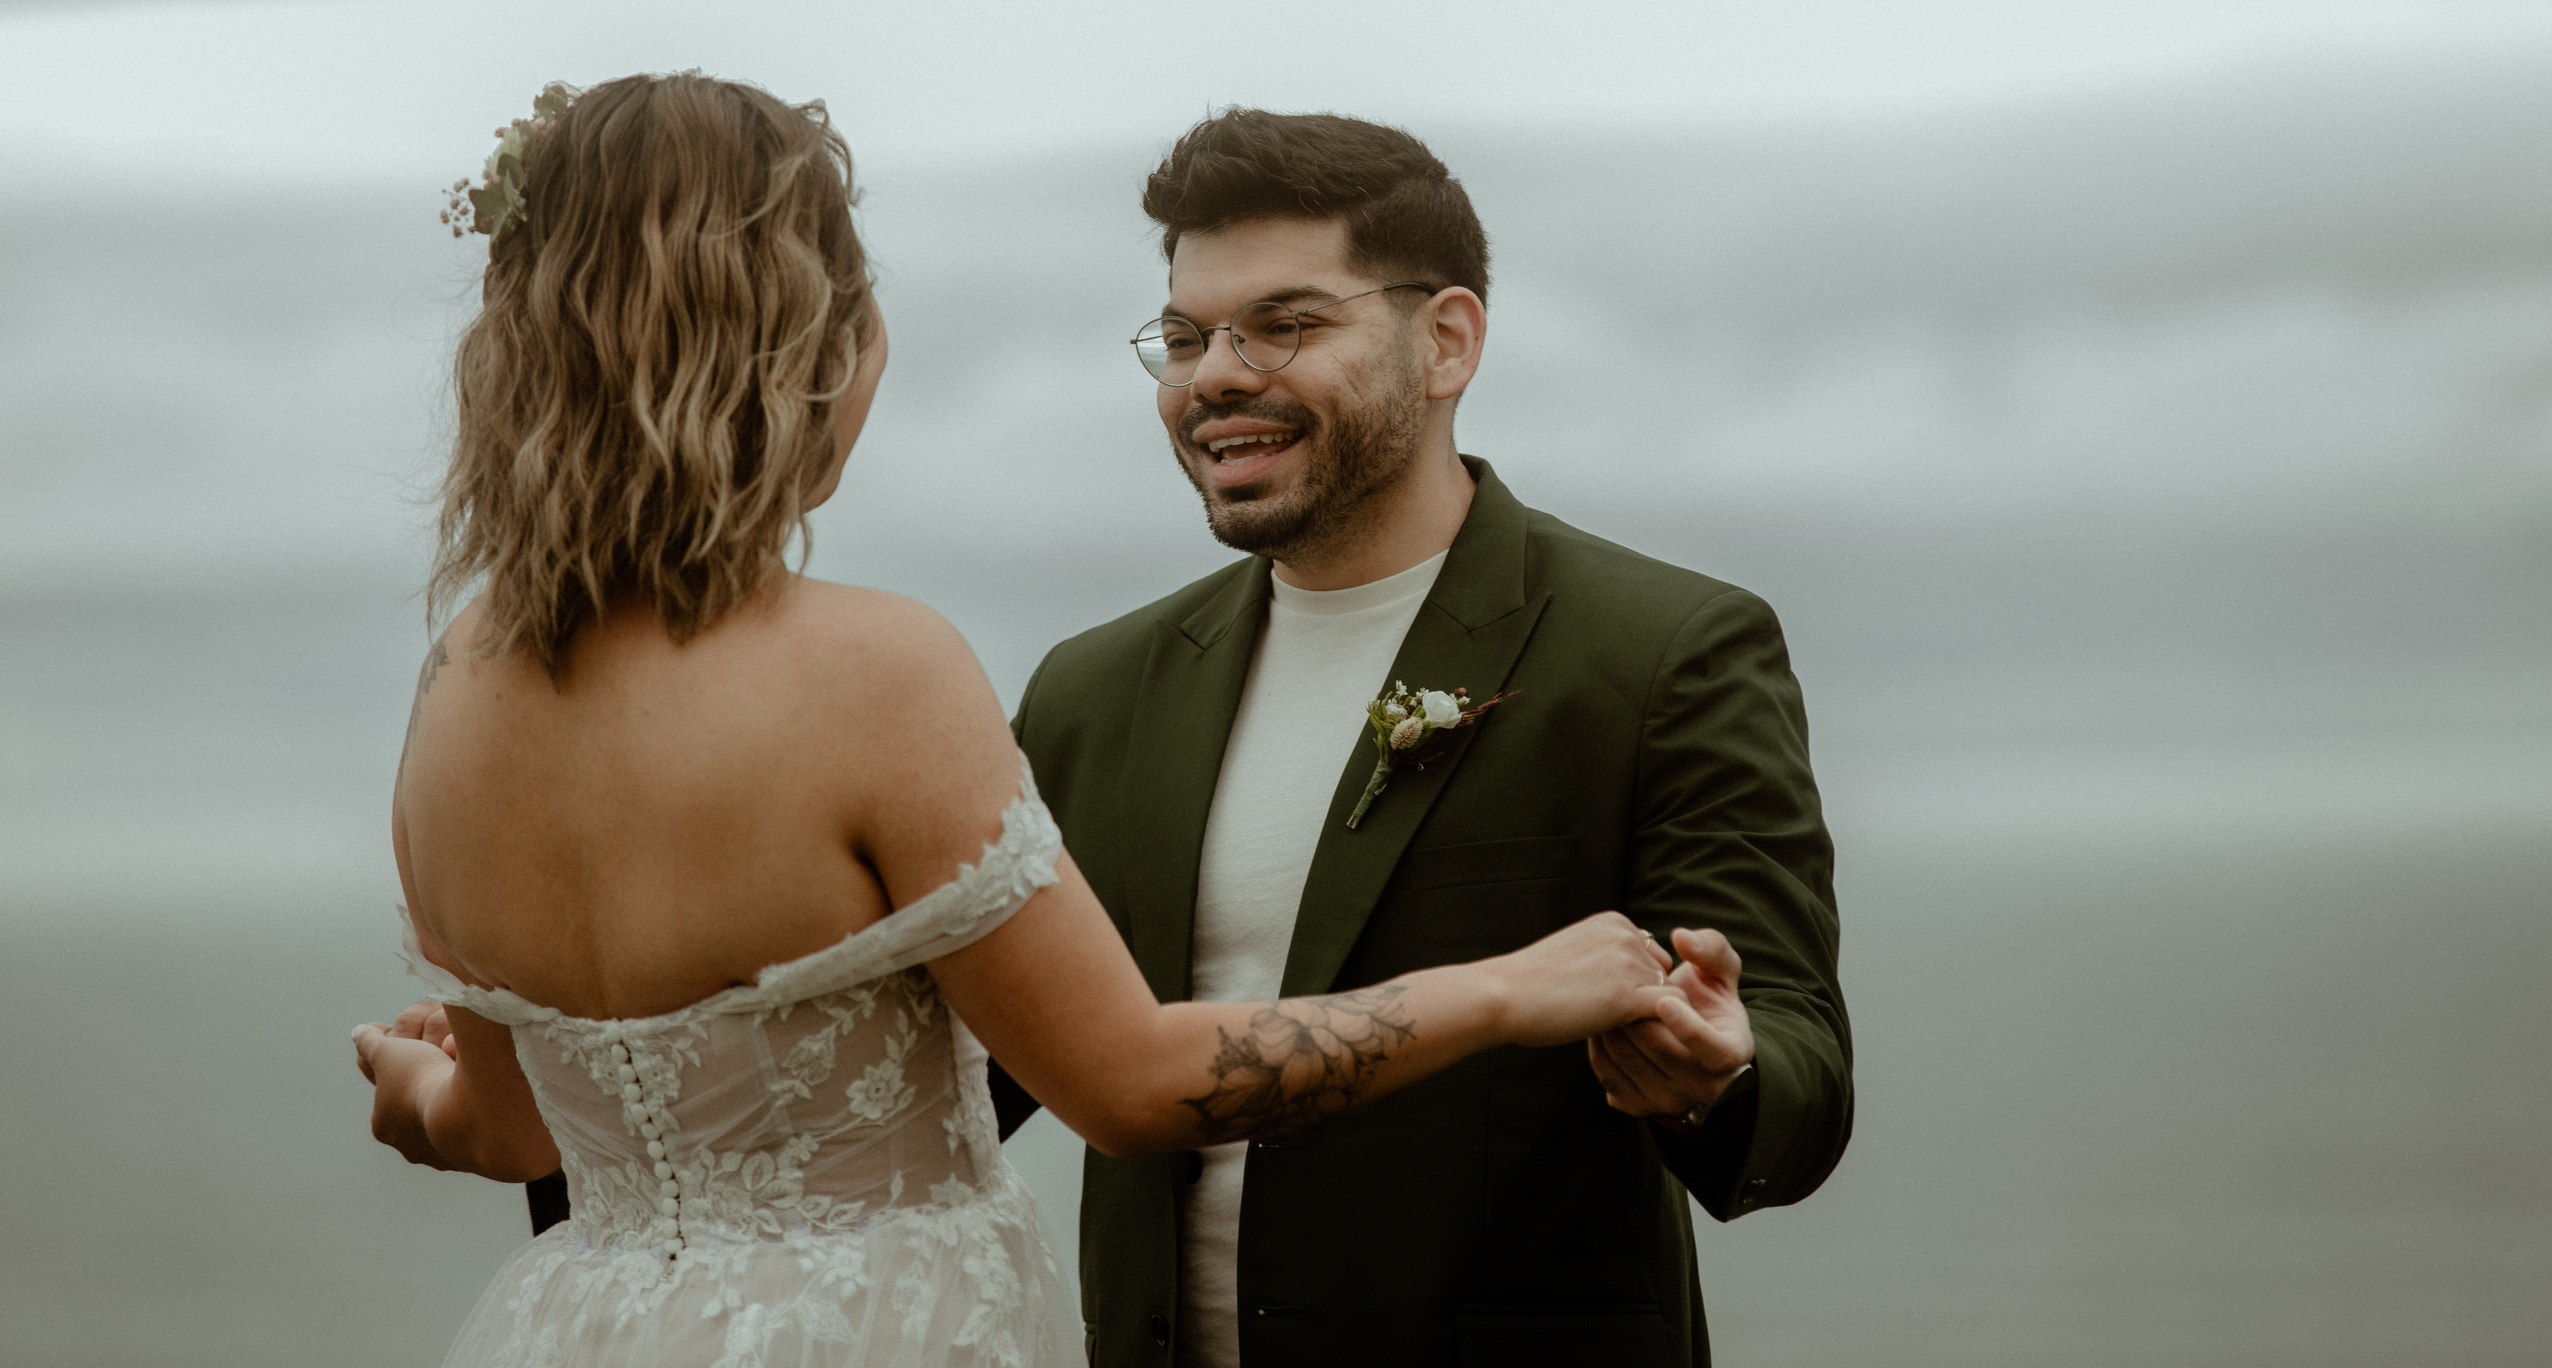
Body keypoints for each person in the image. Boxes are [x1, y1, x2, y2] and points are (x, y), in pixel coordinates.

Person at [349, 74, 1683, 1368]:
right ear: (793, 347)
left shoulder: (455, 693)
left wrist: (414, 1096)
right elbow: (1128, 1081)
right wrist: (1508, 988)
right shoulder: (877, 667)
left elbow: (511, 1128)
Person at [991, 110, 1853, 1367]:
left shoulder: (1663, 649)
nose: (1215, 375)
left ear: (1446, 341)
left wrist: (1721, 1070)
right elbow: (972, 1075)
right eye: (1183, 337)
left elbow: (1798, 1065)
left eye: (1285, 324)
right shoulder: (1092, 688)